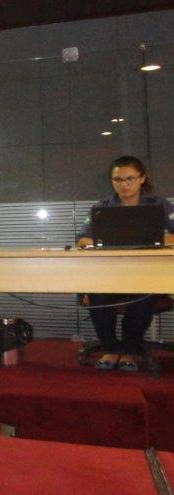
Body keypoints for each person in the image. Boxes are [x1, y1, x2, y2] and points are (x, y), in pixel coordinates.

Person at [76, 155, 174, 371]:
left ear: (142, 178)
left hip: (146, 275)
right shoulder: (102, 207)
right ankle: (111, 349)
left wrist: (154, 238)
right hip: (110, 275)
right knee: (97, 295)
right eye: (118, 180)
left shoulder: (159, 204)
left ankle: (128, 351)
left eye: (130, 178)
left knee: (142, 297)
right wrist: (111, 240)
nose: (124, 184)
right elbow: (82, 240)